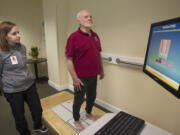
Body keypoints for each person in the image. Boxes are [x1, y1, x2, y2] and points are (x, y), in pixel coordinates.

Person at [0, 21, 48, 135]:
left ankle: (37, 126)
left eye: (18, 32)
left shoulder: (22, 47)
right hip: (13, 90)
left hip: (29, 85)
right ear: (5, 36)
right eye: (14, 33)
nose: (19, 35)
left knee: (37, 110)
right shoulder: (1, 53)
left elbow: (22, 67)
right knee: (19, 117)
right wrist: (4, 91)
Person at [65, 10, 104, 131]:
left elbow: (98, 55)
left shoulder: (95, 35)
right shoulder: (73, 37)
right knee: (79, 99)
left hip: (93, 75)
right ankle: (76, 119)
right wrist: (75, 78)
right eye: (86, 17)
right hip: (80, 77)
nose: (89, 18)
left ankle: (88, 112)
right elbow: (69, 60)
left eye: (90, 16)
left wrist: (101, 70)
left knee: (92, 96)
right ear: (79, 21)